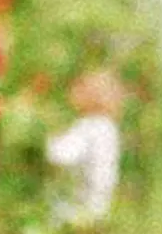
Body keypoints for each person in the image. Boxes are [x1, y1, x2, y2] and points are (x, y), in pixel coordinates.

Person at [47, 69, 123, 224]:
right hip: (98, 207)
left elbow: (62, 156)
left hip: (79, 210)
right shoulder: (107, 126)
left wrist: (43, 140)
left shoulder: (91, 126)